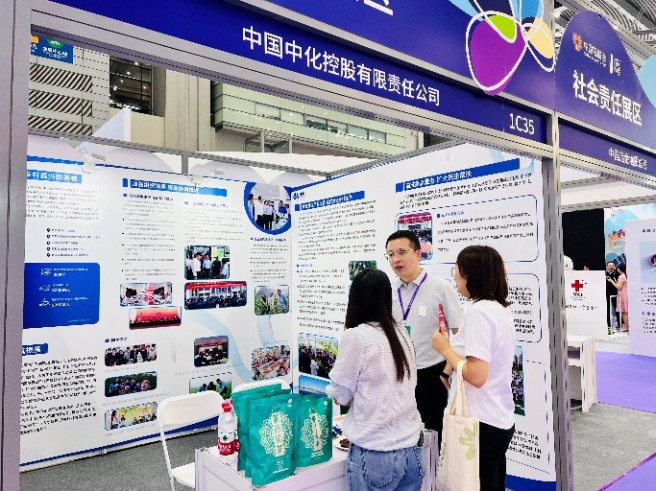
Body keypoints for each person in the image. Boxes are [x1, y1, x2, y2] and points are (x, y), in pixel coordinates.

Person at [327, 269, 423, 491]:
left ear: (355, 298)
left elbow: (341, 394)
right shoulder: (401, 332)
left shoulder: (357, 336)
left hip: (375, 453)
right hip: (411, 451)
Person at [430, 245, 516, 491]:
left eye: (458, 269)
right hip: (498, 415)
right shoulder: (499, 309)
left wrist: (444, 348)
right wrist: (447, 370)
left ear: (470, 274)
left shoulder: (479, 312)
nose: (455, 275)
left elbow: (477, 376)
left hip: (481, 422)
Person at [386, 230, 464, 441]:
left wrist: (446, 372)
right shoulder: (388, 290)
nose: (396, 259)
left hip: (431, 375)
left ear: (418, 253)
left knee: (433, 436)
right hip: (397, 374)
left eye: (402, 252)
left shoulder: (441, 288)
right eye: (391, 254)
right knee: (400, 434)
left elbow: (460, 335)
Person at [608, 263, 629, 332]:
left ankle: (625, 326)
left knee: (624, 312)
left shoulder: (621, 277)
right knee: (626, 311)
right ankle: (627, 325)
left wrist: (612, 281)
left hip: (622, 295)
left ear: (619, 269)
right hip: (626, 294)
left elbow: (619, 287)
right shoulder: (626, 275)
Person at [606, 261, 620, 329]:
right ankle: (608, 325)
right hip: (607, 294)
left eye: (612, 266)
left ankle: (619, 324)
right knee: (607, 309)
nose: (611, 267)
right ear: (607, 267)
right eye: (609, 266)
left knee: (617, 308)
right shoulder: (605, 274)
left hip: (615, 294)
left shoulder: (617, 274)